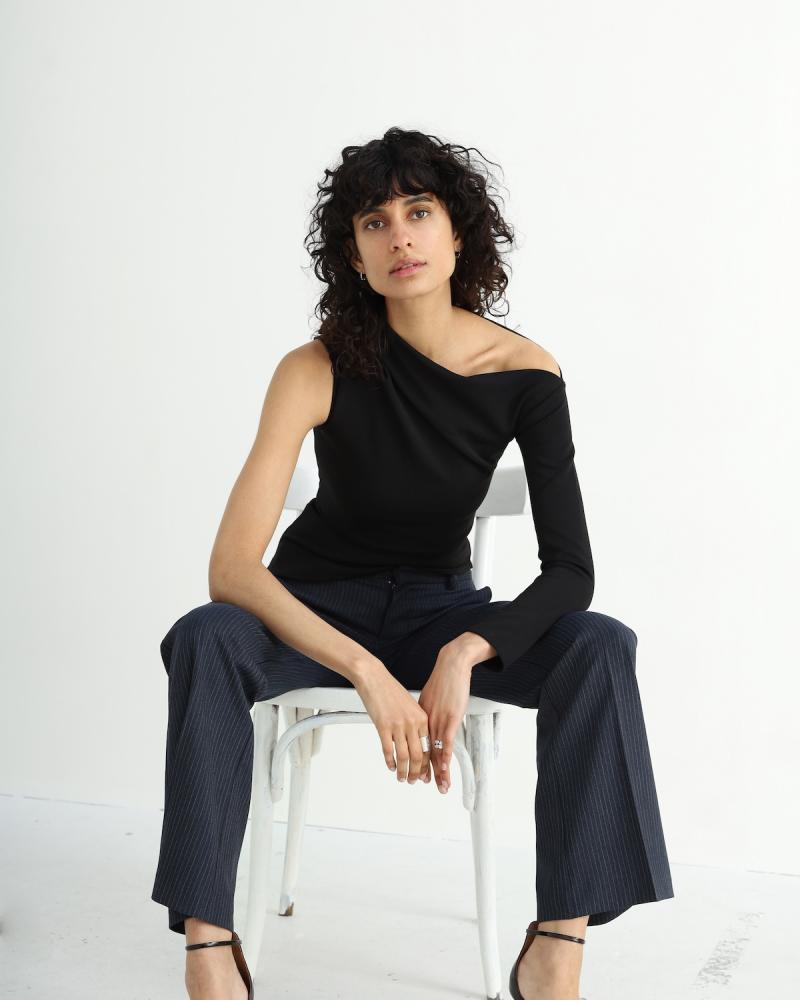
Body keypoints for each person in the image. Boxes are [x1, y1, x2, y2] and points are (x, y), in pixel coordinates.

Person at [151, 126, 675, 1000]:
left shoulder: (526, 372)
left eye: (419, 212)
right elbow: (233, 570)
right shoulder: (314, 368)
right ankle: (209, 946)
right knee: (205, 635)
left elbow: (571, 571)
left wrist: (468, 648)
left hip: (441, 611)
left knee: (599, 644)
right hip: (317, 612)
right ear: (354, 256)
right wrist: (363, 668)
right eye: (374, 222)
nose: (399, 236)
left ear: (458, 232)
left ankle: (558, 941)